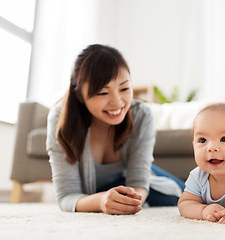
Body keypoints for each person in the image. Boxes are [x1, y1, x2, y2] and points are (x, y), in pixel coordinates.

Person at [46, 44, 184, 214]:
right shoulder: (60, 119)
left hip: (139, 182)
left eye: (124, 88)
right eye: (103, 93)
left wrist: (130, 201)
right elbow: (66, 196)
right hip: (98, 194)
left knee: (190, 198)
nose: (117, 102)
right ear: (80, 95)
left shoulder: (141, 115)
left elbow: (139, 182)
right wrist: (101, 201)